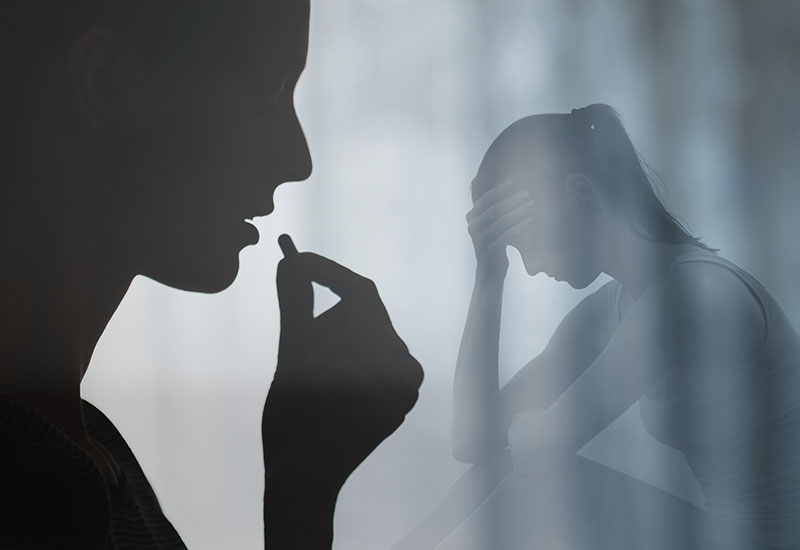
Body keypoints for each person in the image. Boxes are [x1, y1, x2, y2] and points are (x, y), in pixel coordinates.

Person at [0, 1, 423, 549]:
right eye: (269, 96)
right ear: (106, 86)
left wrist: (302, 492)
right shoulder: (34, 487)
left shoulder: (86, 447)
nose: (299, 159)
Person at [397, 104, 800, 549]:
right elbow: (473, 441)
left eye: (526, 240)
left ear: (580, 195)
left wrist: (526, 438)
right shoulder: (612, 309)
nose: (530, 268)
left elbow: (544, 452)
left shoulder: (692, 293)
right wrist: (489, 276)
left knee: (537, 478)